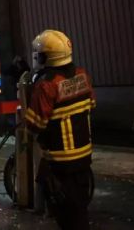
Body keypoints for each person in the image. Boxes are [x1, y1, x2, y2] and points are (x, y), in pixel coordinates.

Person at [24, 29, 96, 230]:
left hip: (60, 162)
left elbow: (35, 124)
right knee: (80, 210)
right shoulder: (82, 76)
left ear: (47, 57)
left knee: (66, 216)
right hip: (84, 157)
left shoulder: (47, 86)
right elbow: (91, 104)